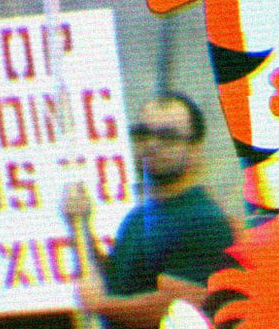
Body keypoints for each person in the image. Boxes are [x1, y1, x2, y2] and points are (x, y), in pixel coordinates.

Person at [63, 92, 235, 329]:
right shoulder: (136, 219)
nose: (152, 145)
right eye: (144, 134)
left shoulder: (204, 220)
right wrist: (81, 228)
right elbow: (118, 284)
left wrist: (100, 305)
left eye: (168, 137)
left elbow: (176, 308)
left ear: (194, 148)